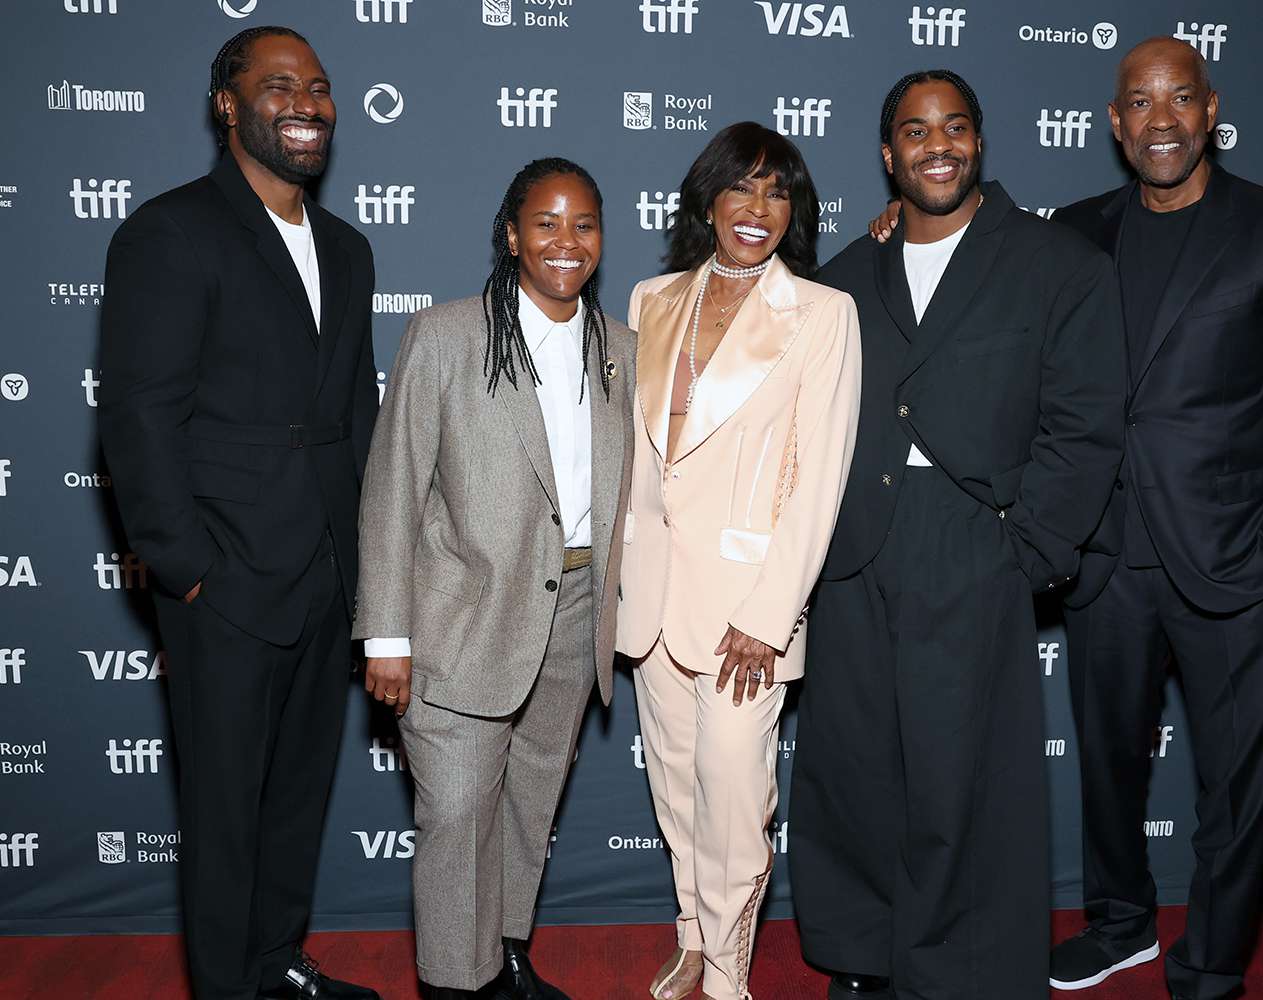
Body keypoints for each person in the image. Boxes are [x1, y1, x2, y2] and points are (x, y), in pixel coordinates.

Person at [868, 37, 1263, 1000]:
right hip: (1105, 554)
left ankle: (1210, 961)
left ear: (1210, 111)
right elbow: (976, 247)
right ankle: (1121, 922)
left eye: (1178, 100)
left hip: (1236, 560)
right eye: (1138, 102)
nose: (1159, 119)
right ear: (1115, 121)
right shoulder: (1077, 230)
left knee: (1235, 788)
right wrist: (904, 225)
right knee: (1108, 766)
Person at [792, 70, 1126, 1000]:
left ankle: (953, 971)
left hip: (975, 541)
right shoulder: (845, 276)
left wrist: (1030, 550)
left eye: (955, 128)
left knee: (957, 777)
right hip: (855, 544)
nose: (936, 145)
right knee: (853, 765)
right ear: (887, 153)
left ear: (980, 141)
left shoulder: (1058, 263)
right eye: (914, 130)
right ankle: (861, 954)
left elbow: (1086, 423)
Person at [98, 26, 380, 1000]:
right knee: (222, 813)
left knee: (296, 798)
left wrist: (371, 570)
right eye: (278, 85)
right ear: (228, 103)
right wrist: (188, 569)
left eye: (319, 86)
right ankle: (225, 984)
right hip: (225, 580)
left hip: (326, 576)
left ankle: (276, 964)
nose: (305, 101)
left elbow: (355, 416)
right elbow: (139, 417)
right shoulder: (170, 231)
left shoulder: (348, 248)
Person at [352, 159, 635, 1000]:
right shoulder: (445, 336)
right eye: (545, 223)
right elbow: (392, 485)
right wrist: (388, 633)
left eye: (584, 224)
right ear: (511, 235)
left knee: (528, 803)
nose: (565, 241)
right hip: (462, 616)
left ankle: (506, 955)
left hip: (578, 609)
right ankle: (454, 982)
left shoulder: (621, 346)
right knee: (458, 813)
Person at [616, 122, 861, 1000]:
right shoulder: (651, 299)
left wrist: (770, 615)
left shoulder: (823, 314)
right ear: (708, 201)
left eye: (778, 191)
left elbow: (820, 475)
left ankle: (729, 969)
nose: (758, 209)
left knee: (732, 789)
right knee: (678, 789)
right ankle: (691, 934)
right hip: (650, 595)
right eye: (742, 189)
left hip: (746, 610)